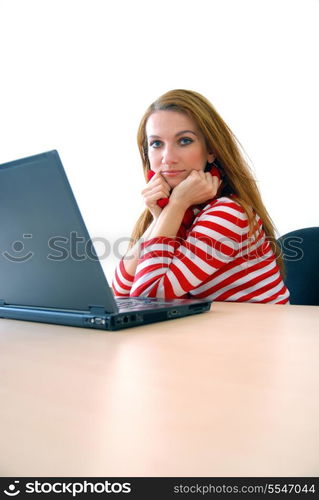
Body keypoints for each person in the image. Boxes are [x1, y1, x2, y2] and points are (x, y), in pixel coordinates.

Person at [112, 89, 289, 304]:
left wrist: (176, 205)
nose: (168, 158)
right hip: (213, 332)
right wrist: (161, 217)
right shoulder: (178, 211)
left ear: (211, 150)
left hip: (258, 334)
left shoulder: (227, 213)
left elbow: (147, 300)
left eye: (184, 141)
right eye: (156, 144)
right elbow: (120, 291)